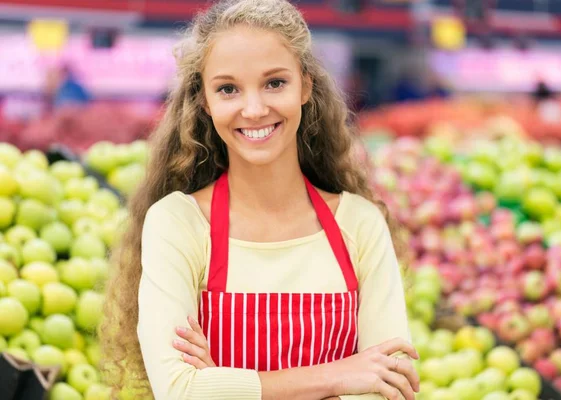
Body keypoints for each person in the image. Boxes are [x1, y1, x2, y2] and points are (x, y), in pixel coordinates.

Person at [100, 0, 418, 399]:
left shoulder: (359, 225)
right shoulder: (177, 223)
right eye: (228, 89)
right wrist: (341, 375)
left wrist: (225, 382)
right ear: (206, 102)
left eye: (274, 83)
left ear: (305, 85)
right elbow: (180, 391)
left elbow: (391, 387)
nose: (253, 109)